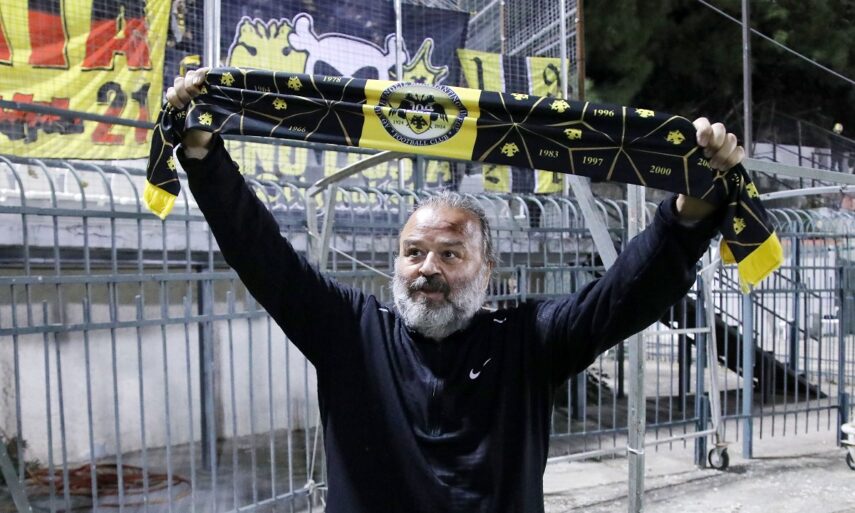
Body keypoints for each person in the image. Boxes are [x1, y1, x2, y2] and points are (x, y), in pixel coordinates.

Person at [166, 68, 744, 513]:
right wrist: (203, 156)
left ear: (487, 269)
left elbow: (625, 294)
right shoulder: (352, 331)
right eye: (413, 252)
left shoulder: (529, 339)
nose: (427, 269)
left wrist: (691, 211)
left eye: (449, 253)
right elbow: (263, 256)